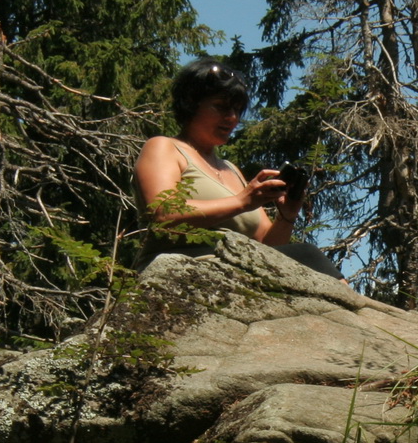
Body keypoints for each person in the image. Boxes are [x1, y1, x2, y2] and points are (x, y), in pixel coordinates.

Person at [134, 59, 344, 280]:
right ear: (190, 103)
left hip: (238, 270)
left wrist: (287, 215)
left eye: (237, 109)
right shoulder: (165, 147)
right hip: (182, 270)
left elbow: (269, 247)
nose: (232, 118)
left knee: (307, 256)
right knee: (308, 254)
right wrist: (242, 201)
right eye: (221, 107)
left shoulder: (231, 170)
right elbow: (162, 213)